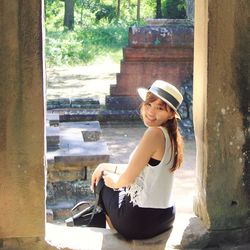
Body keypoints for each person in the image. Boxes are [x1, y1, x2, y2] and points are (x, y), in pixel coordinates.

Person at [91, 79, 184, 239]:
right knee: (107, 176)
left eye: (160, 108)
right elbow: (138, 168)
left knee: (102, 183)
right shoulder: (172, 137)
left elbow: (126, 179)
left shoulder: (154, 133)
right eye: (148, 105)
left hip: (141, 219)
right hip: (165, 217)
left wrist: (111, 182)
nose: (151, 112)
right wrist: (104, 166)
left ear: (171, 114)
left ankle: (118, 239)